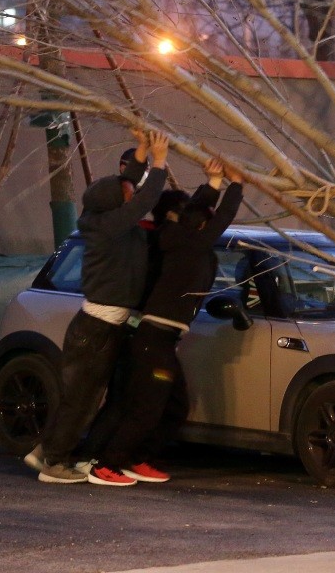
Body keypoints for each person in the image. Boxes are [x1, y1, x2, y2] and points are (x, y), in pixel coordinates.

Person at [87, 158, 244, 486]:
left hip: (161, 339)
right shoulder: (187, 241)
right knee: (147, 408)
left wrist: (214, 181)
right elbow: (221, 216)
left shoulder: (178, 236)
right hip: (153, 339)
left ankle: (137, 457)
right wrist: (236, 185)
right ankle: (106, 464)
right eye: (205, 220)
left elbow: (199, 210)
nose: (209, 223)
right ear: (194, 223)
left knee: (174, 406)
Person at [33, 130, 170, 484]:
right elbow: (145, 199)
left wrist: (141, 151)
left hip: (102, 325)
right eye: (126, 193)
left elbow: (129, 184)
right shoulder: (111, 226)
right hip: (96, 329)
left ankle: (46, 451)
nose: (132, 193)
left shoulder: (109, 221)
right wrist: (159, 161)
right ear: (114, 203)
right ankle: (54, 461)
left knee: (81, 396)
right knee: (81, 399)